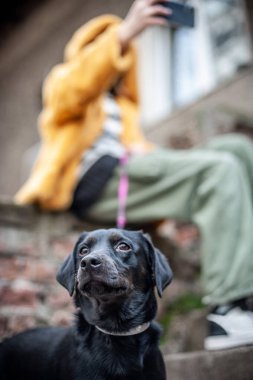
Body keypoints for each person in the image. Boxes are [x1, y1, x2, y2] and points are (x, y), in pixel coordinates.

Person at [15, 0, 253, 351]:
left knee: (236, 149)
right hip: (95, 178)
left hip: (130, 173)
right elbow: (72, 90)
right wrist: (124, 32)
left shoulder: (123, 103)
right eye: (105, 44)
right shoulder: (65, 81)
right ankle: (228, 308)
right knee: (219, 170)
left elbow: (140, 150)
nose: (120, 51)